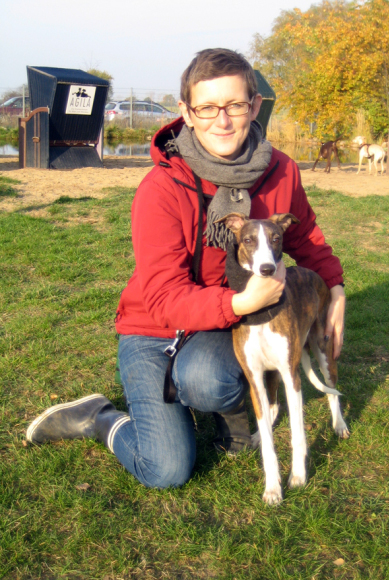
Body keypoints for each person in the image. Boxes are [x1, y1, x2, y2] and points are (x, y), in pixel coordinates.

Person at [26, 48, 345, 489]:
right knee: (167, 469)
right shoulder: (160, 188)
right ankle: (98, 418)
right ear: (187, 113)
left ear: (254, 106)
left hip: (216, 322)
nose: (223, 120)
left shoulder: (281, 170)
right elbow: (162, 297)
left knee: (208, 380)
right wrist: (240, 301)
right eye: (207, 107)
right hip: (154, 329)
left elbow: (307, 237)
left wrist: (336, 288)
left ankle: (228, 416)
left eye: (235, 105)